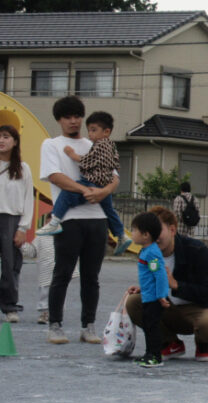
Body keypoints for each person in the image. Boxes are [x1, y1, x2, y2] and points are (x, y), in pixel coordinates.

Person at [40, 96, 119, 345]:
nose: (73, 121)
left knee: (91, 276)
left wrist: (103, 192)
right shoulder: (51, 144)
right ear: (59, 120)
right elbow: (55, 176)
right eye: (67, 117)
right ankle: (55, 324)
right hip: (69, 219)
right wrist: (85, 190)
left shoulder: (95, 142)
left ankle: (89, 326)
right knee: (62, 273)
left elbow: (114, 176)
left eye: (77, 116)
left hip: (97, 219)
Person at [125, 206, 208, 361]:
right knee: (134, 302)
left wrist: (176, 285)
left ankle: (203, 343)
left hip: (198, 308)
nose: (153, 236)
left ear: (172, 230)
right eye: (149, 231)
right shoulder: (147, 252)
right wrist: (145, 288)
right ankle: (170, 342)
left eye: (158, 230)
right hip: (167, 307)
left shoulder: (197, 250)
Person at [35, 111, 131, 256]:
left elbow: (90, 161)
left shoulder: (101, 145)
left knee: (67, 193)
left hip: (93, 181)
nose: (90, 134)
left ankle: (54, 221)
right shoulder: (109, 146)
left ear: (106, 132)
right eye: (89, 130)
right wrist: (104, 191)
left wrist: (72, 155)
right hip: (103, 185)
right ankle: (121, 235)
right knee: (110, 211)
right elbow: (115, 171)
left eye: (94, 130)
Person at [0, 124, 33, 323]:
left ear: (15, 141)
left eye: (6, 136)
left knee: (10, 264)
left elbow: (29, 199)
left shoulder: (23, 168)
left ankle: (10, 306)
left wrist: (23, 228)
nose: (1, 140)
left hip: (12, 220)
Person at [129, 212, 171, 368]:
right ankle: (149, 353)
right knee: (148, 326)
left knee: (153, 327)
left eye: (134, 230)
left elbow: (160, 275)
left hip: (154, 299)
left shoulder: (152, 252)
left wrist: (161, 295)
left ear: (145, 235)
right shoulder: (146, 251)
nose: (132, 233)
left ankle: (156, 356)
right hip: (147, 296)